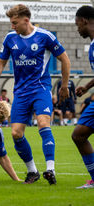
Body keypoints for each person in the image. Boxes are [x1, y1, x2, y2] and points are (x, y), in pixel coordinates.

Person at [0, 4, 70, 184]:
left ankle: (50, 169)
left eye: (15, 22)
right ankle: (32, 171)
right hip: (21, 93)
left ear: (26, 20)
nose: (12, 26)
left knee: (43, 123)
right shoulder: (10, 38)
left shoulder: (45, 36)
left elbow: (64, 59)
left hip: (40, 89)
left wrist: (64, 85)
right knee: (16, 133)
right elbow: (1, 62)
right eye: (11, 23)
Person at [72, 5, 94, 189]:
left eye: (77, 23)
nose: (77, 28)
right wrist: (87, 87)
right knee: (79, 135)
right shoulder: (92, 45)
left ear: (84, 20)